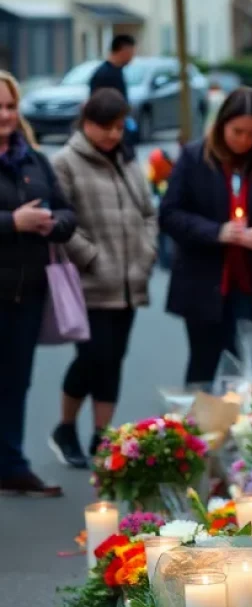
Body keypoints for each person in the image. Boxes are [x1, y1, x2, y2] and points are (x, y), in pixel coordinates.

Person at [160, 87, 252, 387]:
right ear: (222, 123)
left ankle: (239, 426)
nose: (243, 140)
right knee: (203, 361)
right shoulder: (194, 158)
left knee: (241, 364)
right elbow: (170, 214)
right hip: (204, 279)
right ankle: (199, 428)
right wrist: (215, 232)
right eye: (237, 131)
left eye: (251, 133)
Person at [50, 89, 158, 469]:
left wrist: (146, 254)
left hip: (130, 281)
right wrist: (91, 257)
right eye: (105, 127)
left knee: (114, 360)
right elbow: (59, 221)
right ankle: (65, 427)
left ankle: (102, 436)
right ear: (86, 123)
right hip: (91, 282)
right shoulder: (65, 162)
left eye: (118, 126)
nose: (114, 134)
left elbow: (148, 212)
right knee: (94, 357)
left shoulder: (127, 160)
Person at [0, 70, 76, 496]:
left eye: (10, 106)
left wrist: (53, 222)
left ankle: (11, 464)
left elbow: (67, 211)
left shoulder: (34, 160)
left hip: (28, 291)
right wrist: (14, 221)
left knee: (16, 382)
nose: (6, 115)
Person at [90, 34, 137, 145]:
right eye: (132, 52)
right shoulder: (104, 74)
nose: (132, 57)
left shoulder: (118, 72)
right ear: (124, 50)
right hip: (109, 130)